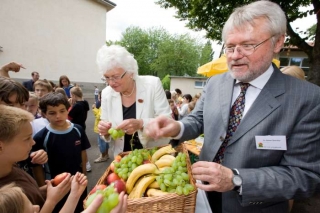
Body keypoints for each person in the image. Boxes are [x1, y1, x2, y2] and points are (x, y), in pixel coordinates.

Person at [145, 1, 320, 212]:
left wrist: (237, 179)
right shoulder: (215, 82)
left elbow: (305, 176)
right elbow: (198, 119)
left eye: (247, 45)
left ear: (277, 42)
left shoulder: (308, 99)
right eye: (230, 46)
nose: (235, 55)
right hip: (201, 197)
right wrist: (177, 128)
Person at [96, 45, 171, 157]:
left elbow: (167, 121)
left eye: (116, 77)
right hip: (123, 158)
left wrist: (141, 123)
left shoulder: (152, 85)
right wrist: (104, 131)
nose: (111, 82)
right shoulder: (107, 93)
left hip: (154, 155)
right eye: (106, 77)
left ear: (130, 72)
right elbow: (106, 128)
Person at [0, 105, 71, 211]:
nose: (33, 142)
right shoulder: (3, 195)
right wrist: (52, 201)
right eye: (27, 138)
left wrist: (50, 188)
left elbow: (30, 195)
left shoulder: (12, 166)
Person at [32, 92, 91, 213]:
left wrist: (84, 173)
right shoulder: (41, 137)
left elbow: (83, 153)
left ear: (68, 110)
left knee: (81, 207)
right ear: (44, 114)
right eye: (52, 113)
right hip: (56, 186)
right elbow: (36, 166)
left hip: (77, 181)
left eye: (62, 111)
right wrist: (43, 188)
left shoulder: (78, 129)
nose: (58, 116)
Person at [92, 92, 110, 163]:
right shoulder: (104, 106)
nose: (98, 100)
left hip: (101, 128)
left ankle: (103, 156)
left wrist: (94, 109)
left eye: (100, 98)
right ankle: (106, 154)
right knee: (106, 142)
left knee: (101, 143)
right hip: (104, 128)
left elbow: (99, 116)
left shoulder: (102, 107)